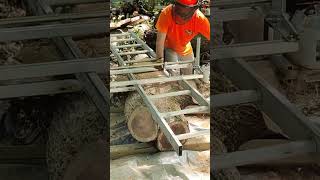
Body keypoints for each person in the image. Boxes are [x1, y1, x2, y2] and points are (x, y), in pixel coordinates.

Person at [155, 0, 210, 75]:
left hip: (185, 49)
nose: (182, 14)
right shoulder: (166, 13)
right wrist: (159, 59)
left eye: (185, 11)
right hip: (168, 47)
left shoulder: (200, 19)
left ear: (193, 9)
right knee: (173, 76)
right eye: (180, 9)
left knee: (189, 75)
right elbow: (160, 41)